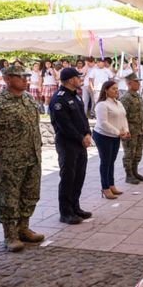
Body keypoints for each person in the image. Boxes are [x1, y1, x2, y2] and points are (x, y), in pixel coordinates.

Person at [0, 65, 44, 252]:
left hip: (31, 157)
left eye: (26, 76)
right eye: (20, 77)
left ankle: (23, 228)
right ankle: (10, 235)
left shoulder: (29, 99)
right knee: (8, 198)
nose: (25, 80)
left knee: (30, 194)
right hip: (6, 161)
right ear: (7, 79)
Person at [49, 67, 92, 224]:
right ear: (70, 80)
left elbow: (83, 119)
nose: (80, 79)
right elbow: (64, 125)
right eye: (77, 77)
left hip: (80, 143)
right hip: (68, 143)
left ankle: (75, 207)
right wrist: (81, 137)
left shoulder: (76, 97)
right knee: (68, 177)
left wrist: (87, 134)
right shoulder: (59, 99)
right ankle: (65, 212)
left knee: (79, 176)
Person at [93, 80, 130, 199]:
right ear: (106, 90)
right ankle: (105, 188)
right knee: (105, 162)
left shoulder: (118, 103)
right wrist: (118, 132)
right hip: (103, 136)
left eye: (117, 88)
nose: (116, 90)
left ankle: (111, 184)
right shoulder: (102, 104)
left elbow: (123, 118)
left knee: (111, 161)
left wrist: (126, 131)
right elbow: (103, 123)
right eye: (113, 88)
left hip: (115, 136)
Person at [119, 73, 143, 185]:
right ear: (129, 83)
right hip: (130, 130)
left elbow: (141, 113)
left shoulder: (138, 96)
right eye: (136, 81)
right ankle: (129, 175)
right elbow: (122, 116)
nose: (139, 83)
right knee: (129, 153)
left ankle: (135, 172)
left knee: (138, 153)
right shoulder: (125, 98)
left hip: (139, 129)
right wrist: (125, 130)